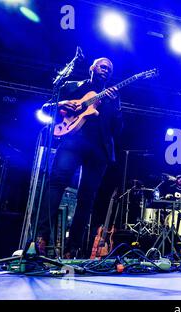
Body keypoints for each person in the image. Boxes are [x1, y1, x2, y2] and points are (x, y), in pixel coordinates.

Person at [35, 57, 122, 258]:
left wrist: (116, 105)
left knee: (87, 197)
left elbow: (118, 130)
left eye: (109, 68)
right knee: (56, 183)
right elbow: (46, 108)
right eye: (103, 66)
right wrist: (64, 103)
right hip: (73, 141)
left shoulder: (112, 97)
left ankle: (72, 248)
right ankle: (41, 237)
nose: (106, 70)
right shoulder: (73, 86)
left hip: (99, 150)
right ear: (92, 68)